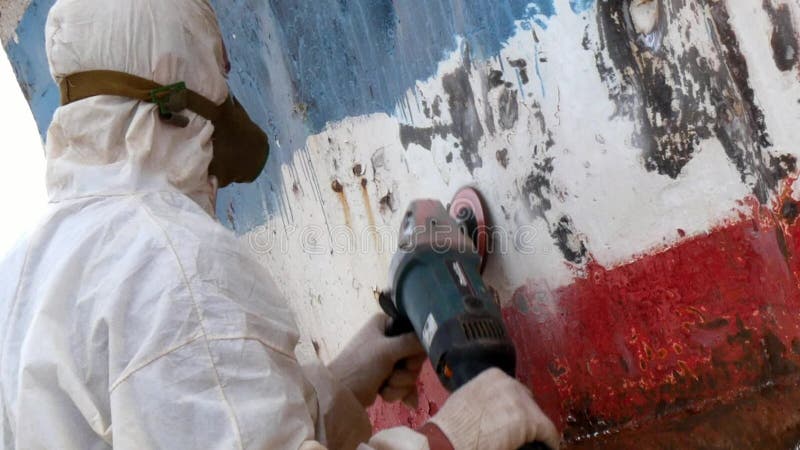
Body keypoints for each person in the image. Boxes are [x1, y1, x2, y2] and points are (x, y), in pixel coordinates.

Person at [0, 0, 561, 449]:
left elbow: (183, 417)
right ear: (184, 92)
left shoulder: (23, 273)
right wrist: (452, 437)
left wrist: (337, 384)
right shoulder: (172, 260)